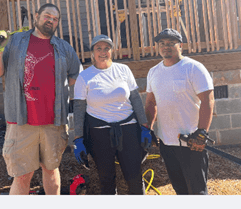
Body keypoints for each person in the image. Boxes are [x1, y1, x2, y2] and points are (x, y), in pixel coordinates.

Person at [0, 3, 82, 195]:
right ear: (36, 16)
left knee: (51, 170)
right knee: (22, 176)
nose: (51, 21)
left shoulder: (63, 47)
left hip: (54, 123)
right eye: (47, 16)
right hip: (21, 122)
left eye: (55, 19)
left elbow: (75, 76)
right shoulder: (14, 42)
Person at [72, 35, 152, 195]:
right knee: (106, 179)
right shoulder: (84, 77)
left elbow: (135, 98)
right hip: (99, 133)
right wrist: (78, 138)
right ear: (92, 52)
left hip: (128, 131)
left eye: (106, 48)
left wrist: (145, 127)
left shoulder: (123, 70)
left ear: (112, 51)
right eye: (98, 48)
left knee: (134, 176)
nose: (103, 52)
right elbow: (79, 108)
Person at [144, 28, 215, 195]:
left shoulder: (193, 68)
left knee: (197, 192)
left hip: (192, 142)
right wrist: (148, 128)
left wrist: (202, 132)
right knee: (180, 189)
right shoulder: (153, 72)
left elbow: (207, 100)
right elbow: (150, 103)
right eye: (162, 43)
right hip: (167, 143)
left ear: (180, 45)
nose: (166, 46)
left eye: (171, 43)